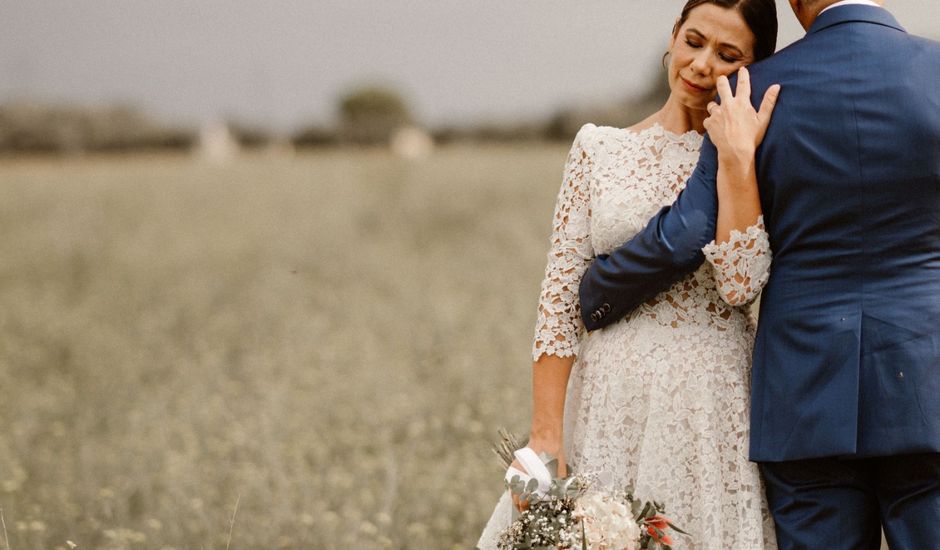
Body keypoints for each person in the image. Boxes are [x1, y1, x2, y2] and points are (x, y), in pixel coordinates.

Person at [578, 0, 940, 548]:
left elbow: (689, 230)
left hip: (804, 395)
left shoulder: (753, 88)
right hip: (929, 382)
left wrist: (595, 289)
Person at [477, 1, 780, 548]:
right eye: (694, 41)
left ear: (753, 68)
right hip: (607, 398)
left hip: (710, 404)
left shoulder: (755, 153)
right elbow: (559, 300)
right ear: (674, 35)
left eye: (727, 55)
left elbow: (741, 284)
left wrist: (736, 160)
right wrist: (546, 437)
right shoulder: (599, 148)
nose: (702, 64)